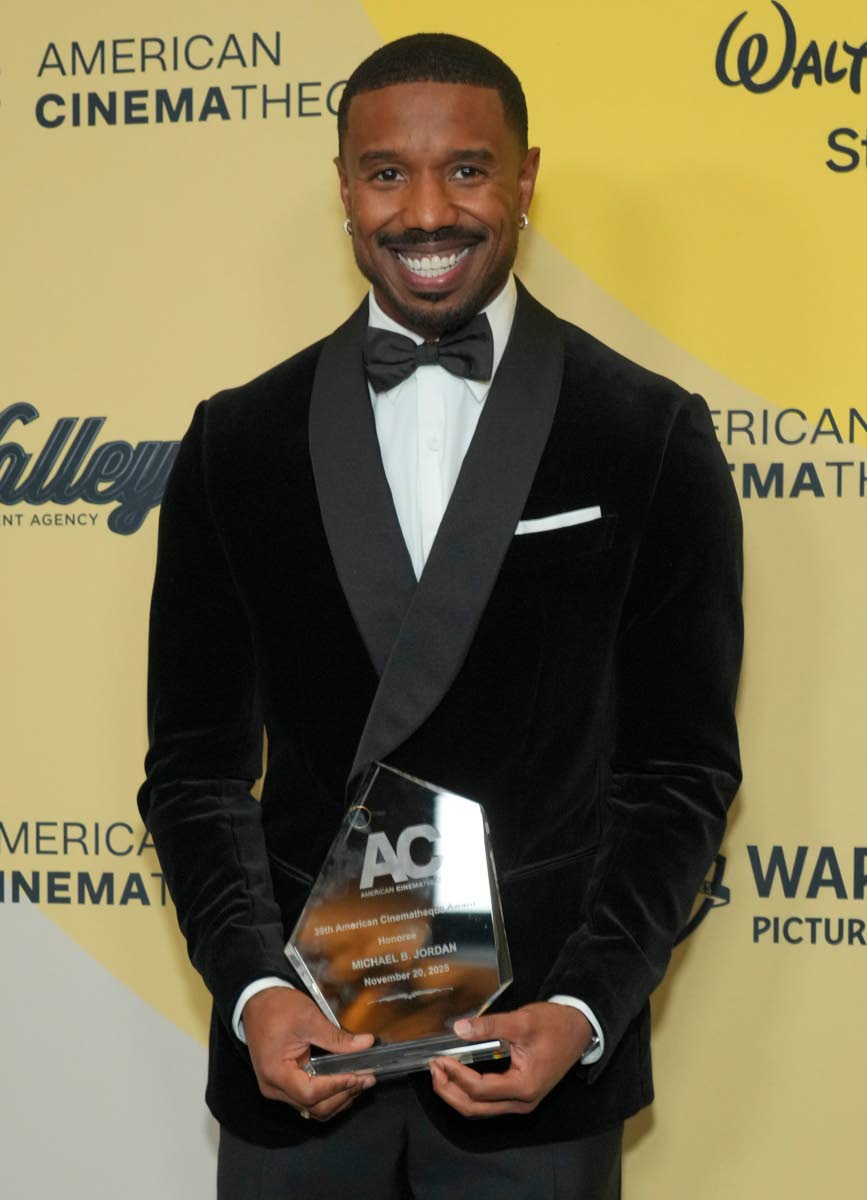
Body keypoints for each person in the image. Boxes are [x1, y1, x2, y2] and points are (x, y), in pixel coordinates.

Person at [139, 32, 742, 1200]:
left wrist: (583, 1006)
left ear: (525, 178)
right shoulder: (236, 442)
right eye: (386, 174)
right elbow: (196, 777)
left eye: (467, 170)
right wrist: (256, 995)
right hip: (301, 1073)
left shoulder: (650, 435)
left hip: (534, 1077)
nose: (426, 210)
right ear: (345, 187)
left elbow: (678, 773)